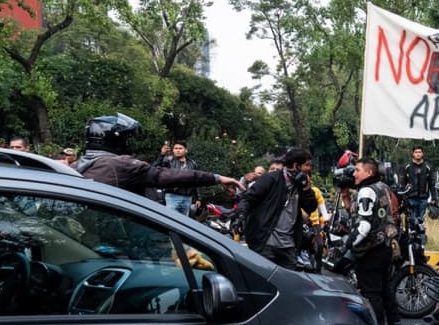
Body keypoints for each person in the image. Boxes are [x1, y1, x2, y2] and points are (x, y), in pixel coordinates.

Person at [73, 113, 242, 199]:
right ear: (115, 139)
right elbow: (168, 175)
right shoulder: (121, 166)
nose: (129, 143)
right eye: (127, 138)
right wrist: (217, 178)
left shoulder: (76, 167)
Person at [348, 157, 404, 325]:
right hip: (386, 247)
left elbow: (364, 224)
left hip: (370, 250)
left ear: (368, 172)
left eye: (357, 170)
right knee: (386, 290)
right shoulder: (383, 187)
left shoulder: (366, 190)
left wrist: (350, 243)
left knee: (372, 293)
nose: (354, 173)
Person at [233, 149, 317, 270]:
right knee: (265, 284)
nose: (309, 168)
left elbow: (311, 207)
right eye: (307, 165)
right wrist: (241, 215)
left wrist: (306, 188)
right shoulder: (271, 179)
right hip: (265, 244)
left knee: (288, 284)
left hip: (288, 247)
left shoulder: (301, 185)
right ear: (295, 166)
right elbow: (248, 198)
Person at [157, 140, 201, 215]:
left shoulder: (192, 163)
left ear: (186, 150)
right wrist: (162, 154)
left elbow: (196, 181)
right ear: (173, 150)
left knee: (183, 222)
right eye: (176, 148)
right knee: (171, 219)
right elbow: (156, 167)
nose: (178, 150)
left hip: (187, 198)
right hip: (172, 196)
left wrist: (198, 198)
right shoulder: (168, 160)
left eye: (180, 148)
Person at [400, 145, 434, 222]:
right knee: (412, 221)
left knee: (421, 221)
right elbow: (402, 183)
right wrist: (403, 197)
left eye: (419, 152)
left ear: (423, 154)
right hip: (411, 198)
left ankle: (421, 233)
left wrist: (434, 197)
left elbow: (431, 183)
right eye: (416, 152)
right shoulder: (407, 167)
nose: (418, 154)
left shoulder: (427, 167)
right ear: (413, 154)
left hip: (423, 198)